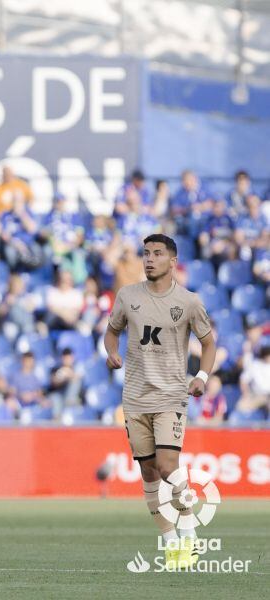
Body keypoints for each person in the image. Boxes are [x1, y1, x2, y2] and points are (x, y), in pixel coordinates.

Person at [104, 233, 216, 570]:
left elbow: (209, 343)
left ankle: (191, 534)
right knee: (150, 475)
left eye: (156, 253)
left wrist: (202, 377)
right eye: (146, 253)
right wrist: (111, 351)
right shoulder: (127, 296)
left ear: (172, 261)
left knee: (169, 467)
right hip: (135, 399)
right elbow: (112, 331)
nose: (149, 259)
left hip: (170, 396)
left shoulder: (189, 302)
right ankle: (170, 544)